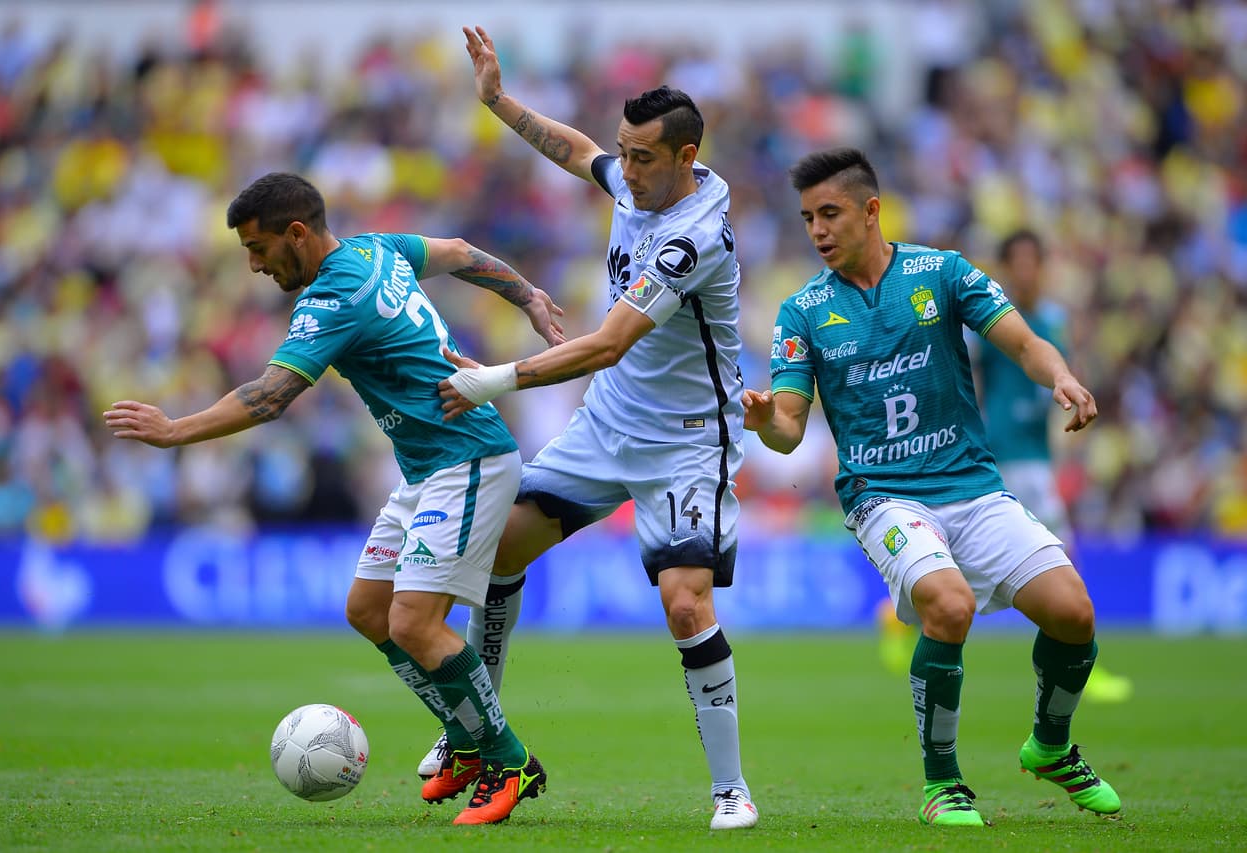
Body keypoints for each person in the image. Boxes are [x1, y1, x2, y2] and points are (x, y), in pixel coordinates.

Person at [103, 172, 563, 826]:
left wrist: (176, 430)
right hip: (427, 467)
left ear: (297, 232)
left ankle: (508, 758)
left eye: (258, 248)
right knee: (369, 609)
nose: (254, 264)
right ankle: (465, 738)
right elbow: (462, 251)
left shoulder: (331, 296)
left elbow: (270, 396)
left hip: (467, 458)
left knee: (412, 623)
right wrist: (529, 297)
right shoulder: (376, 248)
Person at [426, 26, 759, 831]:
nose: (627, 170)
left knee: (686, 604)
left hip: (687, 443)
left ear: (686, 158)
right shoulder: (637, 181)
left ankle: (731, 789)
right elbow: (581, 154)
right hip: (607, 426)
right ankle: (476, 730)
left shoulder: (695, 238)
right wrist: (500, 101)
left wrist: (492, 380)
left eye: (643, 159)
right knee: (496, 547)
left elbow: (608, 342)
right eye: (626, 153)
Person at [742, 147, 1121, 827]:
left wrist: (1060, 376)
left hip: (972, 486)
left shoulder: (940, 272)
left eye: (830, 213)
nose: (818, 230)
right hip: (882, 494)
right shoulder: (802, 311)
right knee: (948, 606)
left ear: (871, 210)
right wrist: (768, 419)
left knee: (1075, 614)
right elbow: (791, 429)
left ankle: (1051, 745)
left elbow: (1025, 342)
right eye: (807, 219)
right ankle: (942, 782)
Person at [976, 228, 1133, 703]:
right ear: (1005, 267)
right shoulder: (988, 321)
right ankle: (1083, 656)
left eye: (1032, 262)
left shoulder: (1052, 321)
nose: (1025, 270)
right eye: (1017, 262)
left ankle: (1084, 655)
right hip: (998, 452)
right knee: (1053, 553)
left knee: (1063, 554)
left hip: (1035, 455)